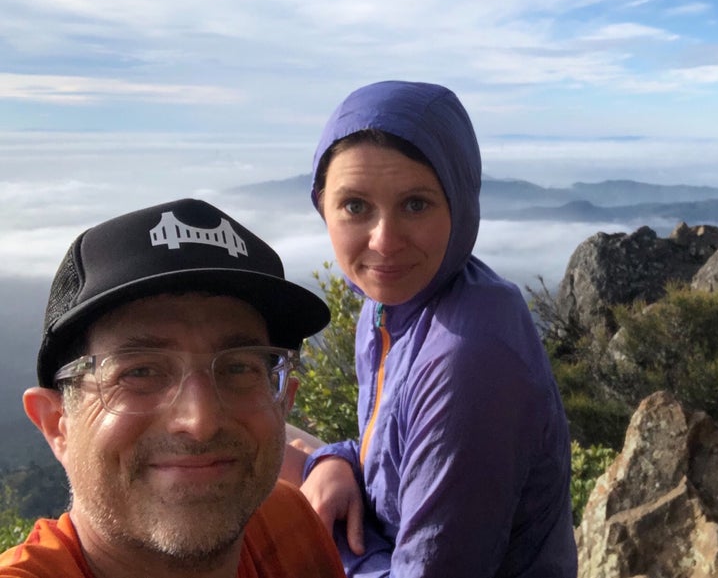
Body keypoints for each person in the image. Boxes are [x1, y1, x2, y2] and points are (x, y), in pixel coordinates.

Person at [294, 81, 578, 576]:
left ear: (460, 205)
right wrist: (337, 461)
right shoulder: (392, 304)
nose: (384, 242)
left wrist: (332, 541)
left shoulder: (470, 356)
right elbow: (392, 461)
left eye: (416, 204)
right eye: (355, 206)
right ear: (323, 207)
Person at [0, 198, 347, 578]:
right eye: (140, 372)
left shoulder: (290, 527)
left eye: (238, 367)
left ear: (283, 403)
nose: (200, 421)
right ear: (57, 425)